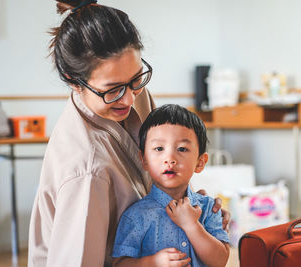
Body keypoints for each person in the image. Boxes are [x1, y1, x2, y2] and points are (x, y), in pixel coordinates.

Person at [28, 1, 229, 266]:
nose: (129, 98)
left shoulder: (131, 93)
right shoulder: (86, 170)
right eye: (113, 89)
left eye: (136, 80)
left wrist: (192, 209)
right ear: (73, 81)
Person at [112, 104, 230, 267]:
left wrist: (192, 226)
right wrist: (151, 263)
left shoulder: (209, 208)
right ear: (144, 159)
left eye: (182, 148)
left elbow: (220, 261)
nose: (169, 158)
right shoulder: (136, 215)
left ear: (200, 162)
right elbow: (119, 264)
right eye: (159, 148)